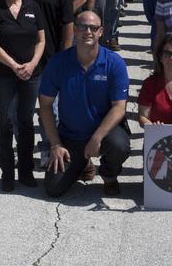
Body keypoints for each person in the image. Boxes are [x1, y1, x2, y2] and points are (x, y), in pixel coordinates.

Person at [39, 12, 130, 198]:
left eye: (93, 28)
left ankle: (109, 175)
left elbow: (119, 107)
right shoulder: (58, 62)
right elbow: (45, 105)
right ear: (74, 30)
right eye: (82, 27)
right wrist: (55, 144)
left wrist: (97, 138)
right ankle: (82, 162)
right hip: (71, 136)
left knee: (119, 145)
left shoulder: (114, 63)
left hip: (105, 134)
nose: (87, 32)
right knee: (53, 189)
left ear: (101, 32)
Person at [0, 0, 46, 191]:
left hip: (32, 74)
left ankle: (26, 171)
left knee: (26, 122)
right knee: (6, 122)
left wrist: (31, 64)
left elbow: (41, 40)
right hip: (4, 75)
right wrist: (14, 66)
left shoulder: (33, 6)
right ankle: (7, 173)